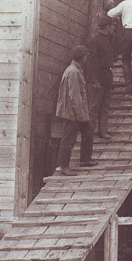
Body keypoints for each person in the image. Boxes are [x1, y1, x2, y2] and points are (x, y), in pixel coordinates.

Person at [53, 45, 96, 175]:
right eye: (86, 56)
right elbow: (75, 96)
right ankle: (63, 166)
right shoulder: (74, 72)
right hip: (72, 113)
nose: (87, 58)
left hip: (75, 112)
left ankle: (85, 159)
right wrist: (81, 116)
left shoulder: (75, 70)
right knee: (68, 139)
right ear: (83, 57)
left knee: (88, 133)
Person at [86, 15, 116, 140]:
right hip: (98, 77)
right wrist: (94, 79)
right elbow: (92, 61)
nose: (113, 28)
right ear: (107, 27)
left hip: (107, 76)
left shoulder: (109, 39)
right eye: (112, 26)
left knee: (105, 107)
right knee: (94, 106)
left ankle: (103, 132)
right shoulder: (95, 41)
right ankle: (90, 132)